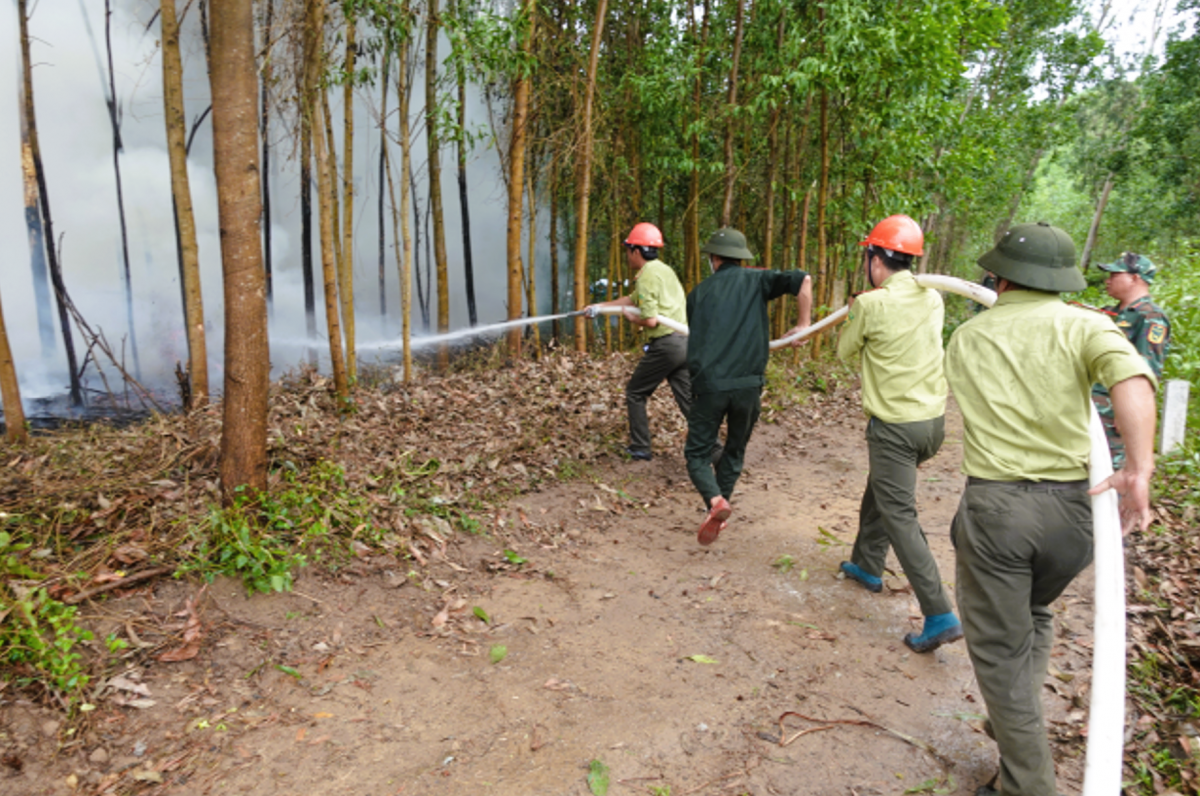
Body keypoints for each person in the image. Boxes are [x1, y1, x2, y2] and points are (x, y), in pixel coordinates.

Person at [944, 222, 1157, 796]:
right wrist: (1138, 469)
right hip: (1075, 513)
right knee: (1034, 610)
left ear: (1001, 274)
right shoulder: (1089, 326)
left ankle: (1026, 783)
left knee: (998, 655)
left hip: (998, 511)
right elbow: (1134, 380)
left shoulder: (968, 337)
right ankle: (1013, 725)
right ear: (1061, 279)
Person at [836, 214, 962, 654]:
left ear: (875, 260)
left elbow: (843, 350)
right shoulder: (933, 299)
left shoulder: (871, 305)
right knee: (884, 491)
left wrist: (857, 310)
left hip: (895, 429)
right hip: (932, 425)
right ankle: (868, 566)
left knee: (899, 514)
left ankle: (939, 612)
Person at [684, 227, 811, 545]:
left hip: (711, 386)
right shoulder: (758, 280)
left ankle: (715, 502)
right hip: (749, 387)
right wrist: (803, 325)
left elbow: (697, 341)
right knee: (734, 451)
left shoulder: (697, 294)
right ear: (740, 258)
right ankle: (719, 506)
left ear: (713, 258)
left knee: (697, 454)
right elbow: (804, 280)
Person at [585, 223, 690, 462]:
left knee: (635, 392)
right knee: (688, 400)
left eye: (628, 250)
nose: (627, 255)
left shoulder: (646, 276)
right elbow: (632, 300)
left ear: (636, 251)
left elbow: (650, 319)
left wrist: (635, 318)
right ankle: (713, 449)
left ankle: (641, 447)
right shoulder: (663, 270)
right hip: (684, 343)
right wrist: (598, 308)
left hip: (665, 345)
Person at [1091, 251, 1170, 467]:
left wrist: (1129, 411)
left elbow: (1147, 368)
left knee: (1111, 466)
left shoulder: (1150, 317)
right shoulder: (1109, 313)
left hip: (1114, 407)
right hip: (1092, 404)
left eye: (1114, 275)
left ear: (1135, 278)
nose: (1108, 281)